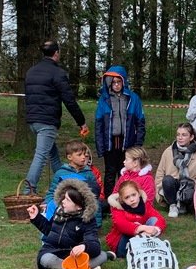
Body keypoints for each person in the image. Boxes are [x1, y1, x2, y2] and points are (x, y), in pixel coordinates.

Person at [23, 40, 88, 194]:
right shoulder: (58, 73)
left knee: (53, 155)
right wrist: (82, 122)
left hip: (32, 120)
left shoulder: (31, 71)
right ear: (56, 53)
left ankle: (64, 185)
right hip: (47, 121)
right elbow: (69, 100)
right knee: (40, 156)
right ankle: (28, 191)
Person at [27, 178, 111, 269]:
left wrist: (84, 246)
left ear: (79, 207)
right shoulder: (59, 211)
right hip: (52, 251)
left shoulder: (87, 220)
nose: (63, 201)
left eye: (67, 200)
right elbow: (50, 231)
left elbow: (94, 244)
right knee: (46, 260)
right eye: (64, 198)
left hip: (73, 255)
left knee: (101, 255)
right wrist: (36, 217)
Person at [94, 65, 146, 199]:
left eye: (119, 82)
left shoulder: (133, 98)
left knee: (126, 173)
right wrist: (100, 146)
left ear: (124, 81)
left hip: (128, 143)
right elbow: (98, 124)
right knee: (110, 173)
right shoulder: (104, 99)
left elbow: (140, 122)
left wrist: (138, 144)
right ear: (109, 83)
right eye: (113, 82)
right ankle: (109, 201)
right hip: (110, 143)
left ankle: (126, 199)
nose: (116, 85)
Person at [43, 139, 103, 221]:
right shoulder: (61, 173)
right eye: (79, 155)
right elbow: (52, 192)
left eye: (84, 154)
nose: (83, 157)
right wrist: (47, 203)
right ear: (69, 157)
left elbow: (94, 197)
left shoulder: (89, 174)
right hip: (64, 208)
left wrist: (97, 222)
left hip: (81, 210)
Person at [154, 123, 196, 218]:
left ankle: (185, 205)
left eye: (184, 135)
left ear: (191, 137)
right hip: (171, 187)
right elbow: (159, 174)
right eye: (178, 134)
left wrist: (195, 185)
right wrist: (159, 194)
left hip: (189, 188)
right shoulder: (168, 152)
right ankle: (173, 205)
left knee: (190, 187)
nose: (180, 137)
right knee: (167, 179)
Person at [106, 180, 166, 258]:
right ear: (122, 199)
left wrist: (156, 229)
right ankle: (142, 246)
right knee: (126, 231)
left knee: (154, 220)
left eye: (134, 195)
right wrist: (142, 228)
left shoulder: (145, 204)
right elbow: (121, 224)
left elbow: (159, 218)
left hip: (142, 234)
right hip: (123, 242)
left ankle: (146, 243)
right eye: (127, 197)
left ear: (139, 193)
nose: (132, 199)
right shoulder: (118, 208)